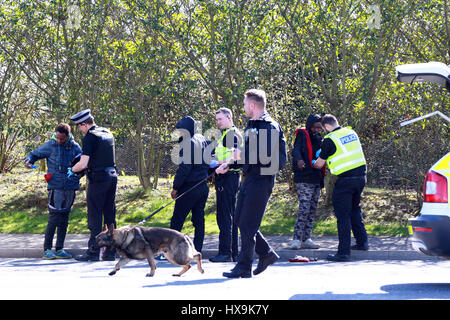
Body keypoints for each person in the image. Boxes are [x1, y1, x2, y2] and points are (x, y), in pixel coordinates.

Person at [218, 89, 287, 278]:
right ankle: (266, 254)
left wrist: (241, 156)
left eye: (244, 103)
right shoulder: (251, 125)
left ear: (252, 105)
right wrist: (230, 163)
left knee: (248, 225)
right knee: (240, 220)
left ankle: (244, 266)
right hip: (249, 178)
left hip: (263, 179)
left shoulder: (269, 126)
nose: (243, 107)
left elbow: (268, 157)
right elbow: (246, 154)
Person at [313, 114, 368, 262]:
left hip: (345, 181)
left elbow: (319, 164)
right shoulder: (351, 132)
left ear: (326, 127)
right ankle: (362, 242)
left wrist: (313, 161)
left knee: (342, 215)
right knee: (355, 209)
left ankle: (343, 252)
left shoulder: (329, 139)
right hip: (361, 177)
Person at [25, 123, 81, 259]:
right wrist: (28, 161)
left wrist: (79, 175)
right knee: (54, 217)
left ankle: (60, 249)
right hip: (55, 186)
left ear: (68, 136)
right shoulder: (50, 145)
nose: (59, 140)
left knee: (64, 218)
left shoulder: (75, 147)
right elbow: (34, 154)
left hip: (70, 187)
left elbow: (82, 163)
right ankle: (47, 249)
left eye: (62, 138)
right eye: (57, 137)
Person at [70, 109, 118, 262]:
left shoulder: (90, 137)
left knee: (95, 216)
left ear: (84, 124)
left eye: (79, 126)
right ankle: (111, 252)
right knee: (110, 214)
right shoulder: (107, 132)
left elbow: (83, 163)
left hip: (98, 179)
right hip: (112, 176)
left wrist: (72, 169)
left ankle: (93, 252)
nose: (79, 129)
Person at [170, 116, 210, 253]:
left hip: (189, 187)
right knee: (199, 220)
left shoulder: (188, 143)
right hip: (203, 186)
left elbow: (184, 169)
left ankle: (171, 250)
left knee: (177, 220)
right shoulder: (204, 140)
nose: (179, 133)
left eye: (181, 130)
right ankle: (197, 250)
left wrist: (176, 187)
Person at [209, 108, 242, 263]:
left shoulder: (231, 134)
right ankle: (233, 252)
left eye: (220, 119)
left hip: (228, 177)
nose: (218, 122)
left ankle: (225, 252)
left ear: (229, 117)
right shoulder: (227, 134)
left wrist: (217, 163)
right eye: (217, 119)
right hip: (228, 177)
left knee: (224, 216)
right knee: (230, 216)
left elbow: (236, 157)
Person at [289, 114, 324, 250]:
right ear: (310, 126)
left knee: (312, 209)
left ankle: (307, 238)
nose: (317, 130)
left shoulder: (321, 139)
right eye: (315, 127)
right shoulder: (302, 135)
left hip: (316, 177)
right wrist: (299, 160)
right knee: (304, 208)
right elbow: (296, 150)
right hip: (304, 177)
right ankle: (297, 239)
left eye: (319, 128)